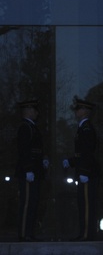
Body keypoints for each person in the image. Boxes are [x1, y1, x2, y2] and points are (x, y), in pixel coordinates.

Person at [63, 97, 101, 240]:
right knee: (83, 204)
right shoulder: (83, 128)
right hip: (84, 171)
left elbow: (87, 152)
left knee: (86, 205)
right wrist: (71, 161)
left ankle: (86, 234)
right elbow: (81, 153)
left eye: (78, 109)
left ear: (85, 111)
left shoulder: (86, 128)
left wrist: (84, 172)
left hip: (88, 173)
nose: (76, 112)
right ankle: (84, 233)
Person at [16, 99, 47, 242]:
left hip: (35, 172)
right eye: (34, 110)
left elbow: (36, 150)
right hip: (28, 173)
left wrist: (42, 161)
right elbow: (24, 151)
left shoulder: (32, 127)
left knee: (33, 203)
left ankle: (29, 232)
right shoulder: (25, 127)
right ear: (27, 111)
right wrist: (28, 169)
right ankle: (24, 233)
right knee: (27, 203)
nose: (36, 113)